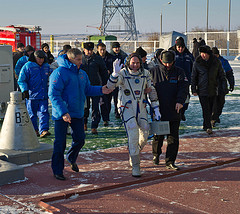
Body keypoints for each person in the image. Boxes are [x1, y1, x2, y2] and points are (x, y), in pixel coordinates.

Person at [48, 48, 112, 180]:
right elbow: (53, 94)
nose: (81, 62)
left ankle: (71, 157)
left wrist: (101, 89)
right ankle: (57, 170)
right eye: (78, 60)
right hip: (62, 114)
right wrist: (63, 112)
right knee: (60, 143)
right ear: (70, 59)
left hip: (77, 112)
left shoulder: (82, 73)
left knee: (80, 139)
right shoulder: (59, 73)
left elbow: (87, 89)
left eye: (81, 59)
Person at [107, 53, 160, 177]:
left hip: (141, 107)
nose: (135, 65)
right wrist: (114, 74)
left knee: (146, 132)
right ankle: (136, 166)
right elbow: (110, 86)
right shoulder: (123, 73)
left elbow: (151, 89)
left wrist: (156, 108)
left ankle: (133, 152)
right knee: (133, 133)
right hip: (127, 108)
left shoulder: (145, 74)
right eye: (133, 63)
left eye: (137, 63)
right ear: (128, 63)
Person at [149, 50, 188, 170]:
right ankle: (156, 155)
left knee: (173, 137)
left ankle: (170, 161)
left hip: (174, 109)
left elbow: (184, 87)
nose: (168, 65)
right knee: (158, 136)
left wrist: (180, 101)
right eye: (165, 63)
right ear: (161, 60)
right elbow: (149, 88)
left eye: (170, 63)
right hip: (159, 110)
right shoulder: (153, 72)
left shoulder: (179, 72)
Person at [191, 45, 228, 134]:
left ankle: (206, 124)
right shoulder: (197, 62)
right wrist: (194, 89)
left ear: (209, 54)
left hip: (213, 89)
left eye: (205, 53)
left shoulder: (216, 62)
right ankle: (208, 126)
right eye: (201, 53)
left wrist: (224, 87)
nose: (203, 55)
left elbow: (222, 75)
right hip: (202, 90)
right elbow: (194, 77)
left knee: (211, 108)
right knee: (205, 109)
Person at [18, 50, 51, 138]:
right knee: (32, 114)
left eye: (42, 58)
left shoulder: (46, 66)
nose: (41, 60)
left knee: (44, 112)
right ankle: (34, 130)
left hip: (43, 94)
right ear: (35, 58)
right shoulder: (28, 66)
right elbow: (21, 80)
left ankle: (44, 130)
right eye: (39, 58)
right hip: (31, 95)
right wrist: (24, 90)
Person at [81, 42, 109, 134]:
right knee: (85, 107)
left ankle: (94, 126)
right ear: (84, 50)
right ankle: (84, 123)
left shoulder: (98, 59)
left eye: (90, 50)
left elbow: (104, 72)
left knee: (95, 107)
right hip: (84, 87)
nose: (89, 52)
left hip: (96, 86)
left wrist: (105, 84)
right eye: (87, 50)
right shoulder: (80, 59)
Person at [169, 36, 194, 121]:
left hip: (186, 81)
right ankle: (177, 114)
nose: (180, 49)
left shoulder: (188, 56)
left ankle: (182, 112)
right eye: (179, 47)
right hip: (174, 81)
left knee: (186, 99)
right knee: (175, 98)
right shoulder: (172, 54)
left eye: (182, 47)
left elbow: (193, 67)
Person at [211, 47, 235, 126]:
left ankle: (217, 115)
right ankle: (213, 118)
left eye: (215, 54)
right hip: (212, 86)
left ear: (218, 54)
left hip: (222, 86)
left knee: (221, 103)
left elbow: (229, 74)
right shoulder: (208, 62)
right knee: (213, 104)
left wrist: (231, 84)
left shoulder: (224, 62)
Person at [96, 42, 116, 126]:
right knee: (102, 101)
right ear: (98, 49)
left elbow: (115, 68)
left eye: (104, 49)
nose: (102, 51)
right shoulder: (95, 58)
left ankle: (106, 117)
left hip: (109, 82)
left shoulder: (111, 58)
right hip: (98, 83)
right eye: (101, 50)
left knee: (108, 100)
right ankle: (103, 119)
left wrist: (110, 71)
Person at [110, 41, 128, 119]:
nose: (117, 49)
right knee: (115, 96)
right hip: (113, 78)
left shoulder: (123, 55)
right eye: (115, 48)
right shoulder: (110, 56)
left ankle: (121, 110)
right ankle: (116, 111)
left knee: (122, 95)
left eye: (118, 47)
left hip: (122, 78)